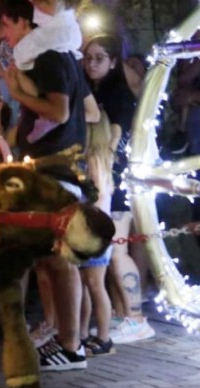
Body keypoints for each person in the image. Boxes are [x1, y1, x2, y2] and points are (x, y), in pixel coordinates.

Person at [1, 0, 95, 371]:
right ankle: (65, 338)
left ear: (26, 24)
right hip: (49, 170)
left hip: (58, 172)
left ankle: (72, 345)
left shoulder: (52, 58)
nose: (6, 36)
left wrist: (17, 92)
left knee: (60, 261)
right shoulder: (51, 56)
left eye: (7, 27)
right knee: (52, 262)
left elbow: (60, 112)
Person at [82, 34, 156, 344]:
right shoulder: (100, 91)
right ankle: (122, 314)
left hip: (116, 179)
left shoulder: (118, 95)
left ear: (114, 62)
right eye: (88, 58)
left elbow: (114, 138)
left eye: (100, 58)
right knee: (111, 251)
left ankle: (136, 318)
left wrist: (106, 170)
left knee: (118, 250)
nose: (91, 64)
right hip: (105, 178)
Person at [78, 111, 115, 355]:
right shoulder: (96, 158)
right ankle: (81, 333)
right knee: (83, 284)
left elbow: (98, 198)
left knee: (94, 284)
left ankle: (104, 336)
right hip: (89, 231)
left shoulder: (95, 160)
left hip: (95, 232)